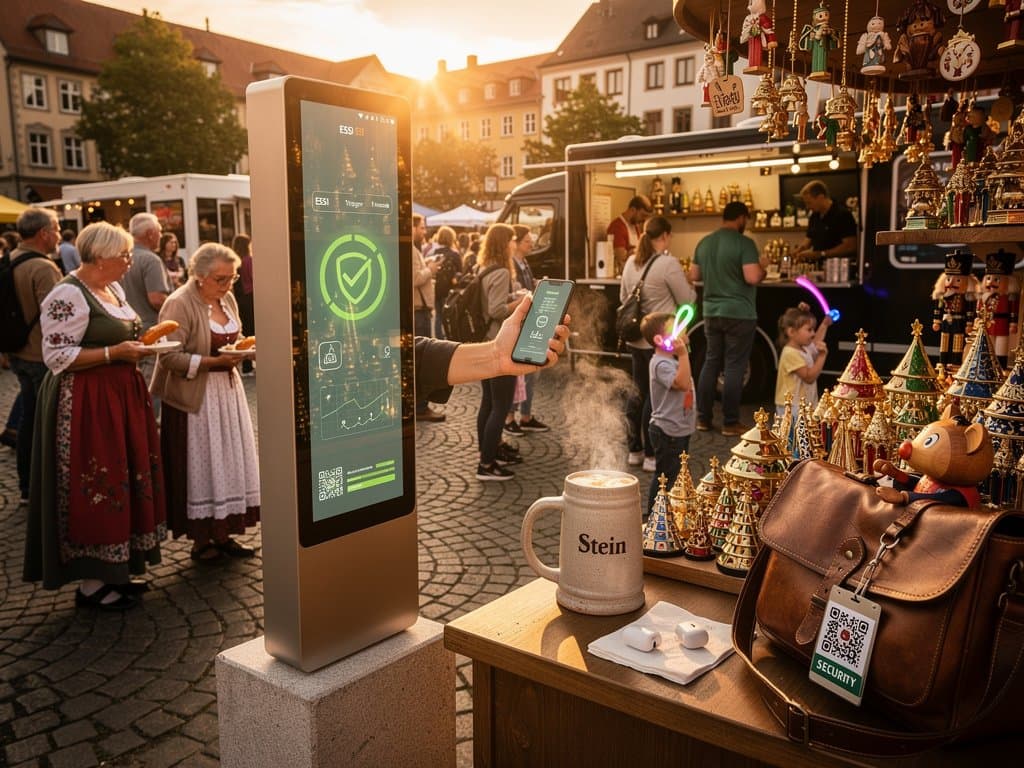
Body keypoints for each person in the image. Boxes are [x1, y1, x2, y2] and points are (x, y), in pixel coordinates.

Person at [23, 221, 166, 611]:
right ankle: (91, 583)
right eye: (123, 255)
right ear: (100, 257)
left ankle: (117, 570)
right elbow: (57, 357)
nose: (128, 262)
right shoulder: (67, 293)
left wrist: (134, 350)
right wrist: (112, 354)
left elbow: (123, 336)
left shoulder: (113, 287)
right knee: (97, 482)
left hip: (119, 394)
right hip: (85, 402)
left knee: (125, 476)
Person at [150, 243, 261, 563]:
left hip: (226, 392)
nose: (228, 285)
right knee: (201, 466)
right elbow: (168, 356)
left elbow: (237, 339)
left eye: (232, 278)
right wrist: (213, 363)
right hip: (194, 398)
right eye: (220, 279)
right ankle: (201, 539)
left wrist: (242, 352)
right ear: (199, 276)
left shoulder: (226, 299)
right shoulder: (178, 303)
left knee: (227, 462)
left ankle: (223, 533)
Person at [620, 216, 695, 471]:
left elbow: (623, 297)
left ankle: (634, 450)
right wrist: (692, 287)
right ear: (664, 236)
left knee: (637, 391)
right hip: (662, 343)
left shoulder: (631, 261)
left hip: (636, 338)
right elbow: (686, 300)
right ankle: (652, 455)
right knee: (656, 397)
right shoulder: (668, 263)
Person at [689, 201, 766, 436]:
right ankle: (730, 422)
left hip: (711, 312)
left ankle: (703, 418)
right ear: (741, 218)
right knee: (734, 365)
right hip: (739, 313)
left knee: (710, 362)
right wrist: (763, 267)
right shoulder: (745, 243)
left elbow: (694, 275)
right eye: (746, 219)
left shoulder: (705, 242)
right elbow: (752, 277)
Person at [8, 208, 63, 504]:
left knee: (30, 417)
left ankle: (28, 485)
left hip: (18, 352)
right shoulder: (43, 268)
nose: (58, 234)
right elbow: (58, 317)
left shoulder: (10, 259)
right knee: (47, 422)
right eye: (55, 228)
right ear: (43, 233)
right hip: (42, 354)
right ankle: (43, 486)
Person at [476, 223, 527, 480]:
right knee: (501, 405)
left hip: (484, 342)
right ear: (503, 243)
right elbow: (496, 309)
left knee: (488, 402)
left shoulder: (483, 267)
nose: (514, 244)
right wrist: (521, 301)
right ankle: (486, 463)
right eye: (512, 240)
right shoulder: (502, 273)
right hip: (499, 344)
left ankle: (489, 451)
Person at [641, 311, 695, 515]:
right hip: (668, 431)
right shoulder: (661, 363)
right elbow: (681, 383)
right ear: (659, 340)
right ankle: (655, 516)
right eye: (676, 330)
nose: (682, 333)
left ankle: (667, 513)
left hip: (678, 429)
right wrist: (683, 354)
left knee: (676, 473)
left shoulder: (671, 360)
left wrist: (682, 353)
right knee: (666, 476)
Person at [120, 212, 171, 416]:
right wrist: (177, 307)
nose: (161, 235)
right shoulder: (150, 260)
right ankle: (148, 432)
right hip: (151, 332)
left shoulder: (123, 257)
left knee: (131, 388)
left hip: (125, 331)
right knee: (151, 389)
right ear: (150, 234)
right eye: (159, 231)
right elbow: (157, 298)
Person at [504, 224, 550, 435]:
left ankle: (525, 415)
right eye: (526, 241)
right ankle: (510, 416)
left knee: (531, 372)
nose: (531, 244)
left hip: (528, 322)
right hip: (518, 323)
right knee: (518, 374)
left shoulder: (523, 262)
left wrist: (535, 285)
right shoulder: (510, 265)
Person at [412, 214, 444, 421]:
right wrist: (429, 269)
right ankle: (421, 407)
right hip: (418, 311)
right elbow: (415, 278)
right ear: (412, 228)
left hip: (421, 310)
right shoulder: (411, 250)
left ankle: (421, 405)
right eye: (422, 228)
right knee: (422, 359)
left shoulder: (415, 250)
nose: (425, 232)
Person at [774, 303, 830, 416]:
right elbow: (808, 377)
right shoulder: (790, 353)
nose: (813, 333)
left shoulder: (803, 348)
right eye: (809, 330)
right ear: (791, 332)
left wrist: (824, 324)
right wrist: (821, 357)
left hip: (802, 406)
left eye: (813, 329)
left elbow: (815, 342)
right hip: (792, 409)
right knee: (795, 434)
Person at [792, 180, 858, 265]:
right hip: (818, 268)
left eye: (809, 203)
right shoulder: (814, 216)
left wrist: (821, 254)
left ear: (821, 197)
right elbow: (808, 240)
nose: (807, 207)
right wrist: (799, 251)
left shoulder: (842, 214)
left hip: (838, 268)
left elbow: (850, 246)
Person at [607, 195, 653, 274]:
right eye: (643, 215)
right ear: (632, 210)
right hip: (623, 273)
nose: (644, 219)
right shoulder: (617, 226)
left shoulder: (635, 226)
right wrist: (636, 251)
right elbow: (621, 256)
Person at [431, 226, 462, 339]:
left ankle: (438, 340)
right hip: (450, 291)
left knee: (438, 316)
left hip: (436, 289)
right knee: (449, 316)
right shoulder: (455, 254)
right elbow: (460, 272)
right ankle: (449, 339)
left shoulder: (435, 253)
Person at [230, 234, 255, 375]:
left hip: (239, 299)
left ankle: (246, 366)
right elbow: (254, 278)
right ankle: (250, 364)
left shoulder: (236, 262)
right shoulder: (249, 260)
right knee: (252, 330)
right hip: (250, 297)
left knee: (244, 329)